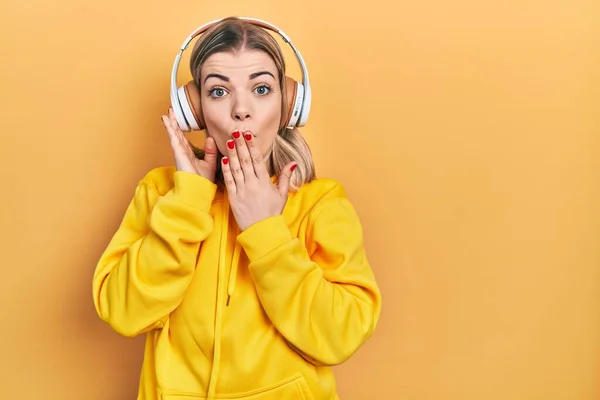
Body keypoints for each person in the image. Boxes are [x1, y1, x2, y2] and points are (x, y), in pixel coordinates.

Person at [92, 16, 382, 400]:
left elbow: (340, 336)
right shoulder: (162, 193)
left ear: (288, 106)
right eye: (218, 92)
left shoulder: (321, 205)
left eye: (261, 89)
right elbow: (123, 312)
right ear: (192, 110)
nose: (241, 110)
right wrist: (189, 201)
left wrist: (266, 233)